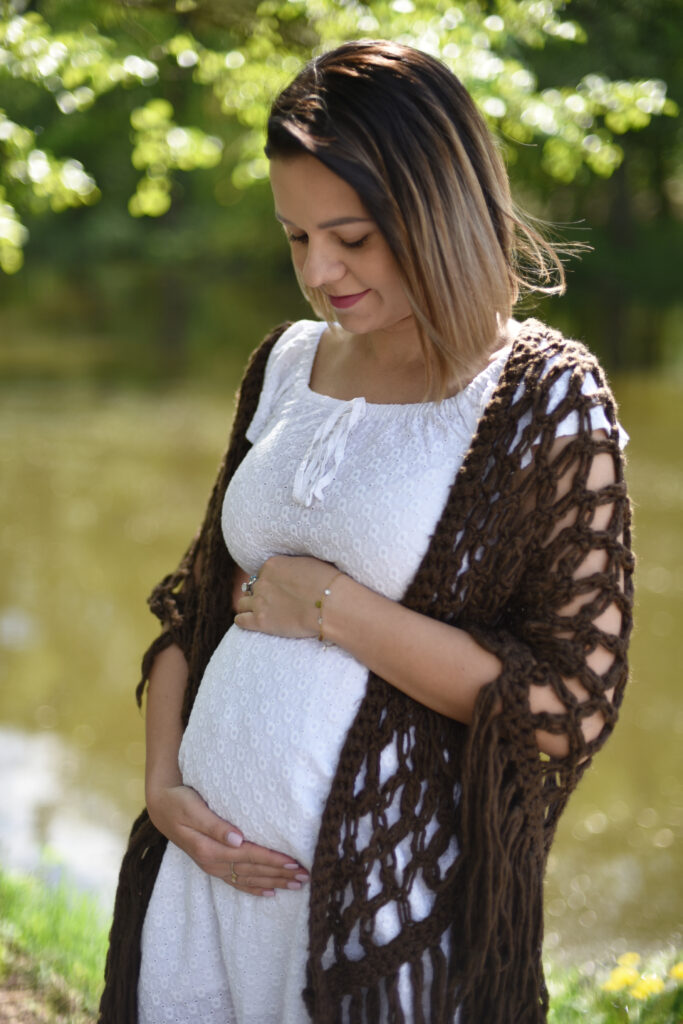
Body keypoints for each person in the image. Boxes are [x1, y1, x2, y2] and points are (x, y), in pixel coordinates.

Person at [99, 39, 633, 1024]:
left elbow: (565, 702)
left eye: (349, 235)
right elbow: (194, 607)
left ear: (435, 207)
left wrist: (334, 608)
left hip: (381, 917)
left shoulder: (544, 399)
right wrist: (163, 787)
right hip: (201, 888)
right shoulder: (285, 364)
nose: (319, 270)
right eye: (295, 237)